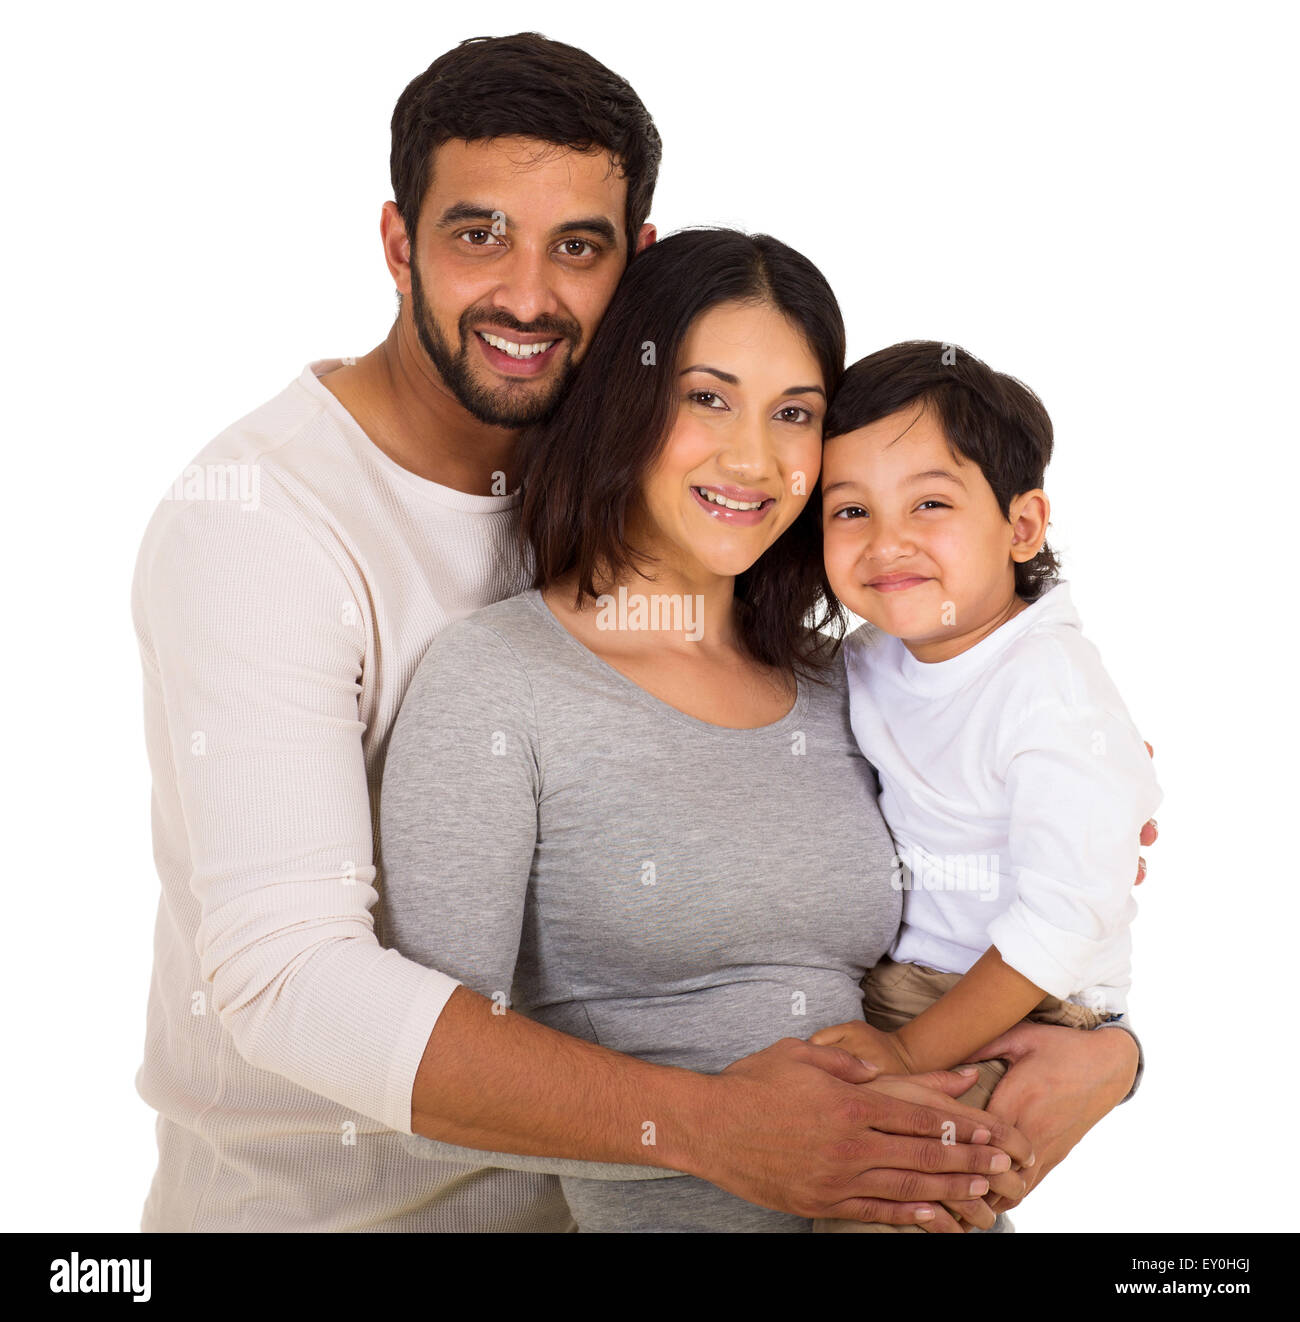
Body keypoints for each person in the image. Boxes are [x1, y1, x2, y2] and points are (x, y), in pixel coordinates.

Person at [130, 33, 1145, 1233]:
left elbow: (1004, 873)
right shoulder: (269, 527)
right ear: (399, 244)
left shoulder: (807, 652)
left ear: (635, 276)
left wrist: (1100, 1050)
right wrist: (715, 1128)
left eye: (577, 246)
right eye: (476, 232)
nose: (525, 293)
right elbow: (291, 980)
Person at [378, 232, 1146, 1231]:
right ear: (627, 400)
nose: (753, 455)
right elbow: (421, 1075)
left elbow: (1040, 887)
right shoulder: (495, 684)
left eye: (795, 413)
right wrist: (713, 1126)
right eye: (707, 396)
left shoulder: (853, 681)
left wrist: (1114, 1056)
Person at [806, 341, 1162, 1232]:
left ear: (1022, 527)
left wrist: (904, 1050)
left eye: (930, 502)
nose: (886, 541)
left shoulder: (1051, 686)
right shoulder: (871, 660)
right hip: (911, 986)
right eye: (850, 510)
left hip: (1032, 1006)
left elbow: (1056, 922)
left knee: (891, 1205)